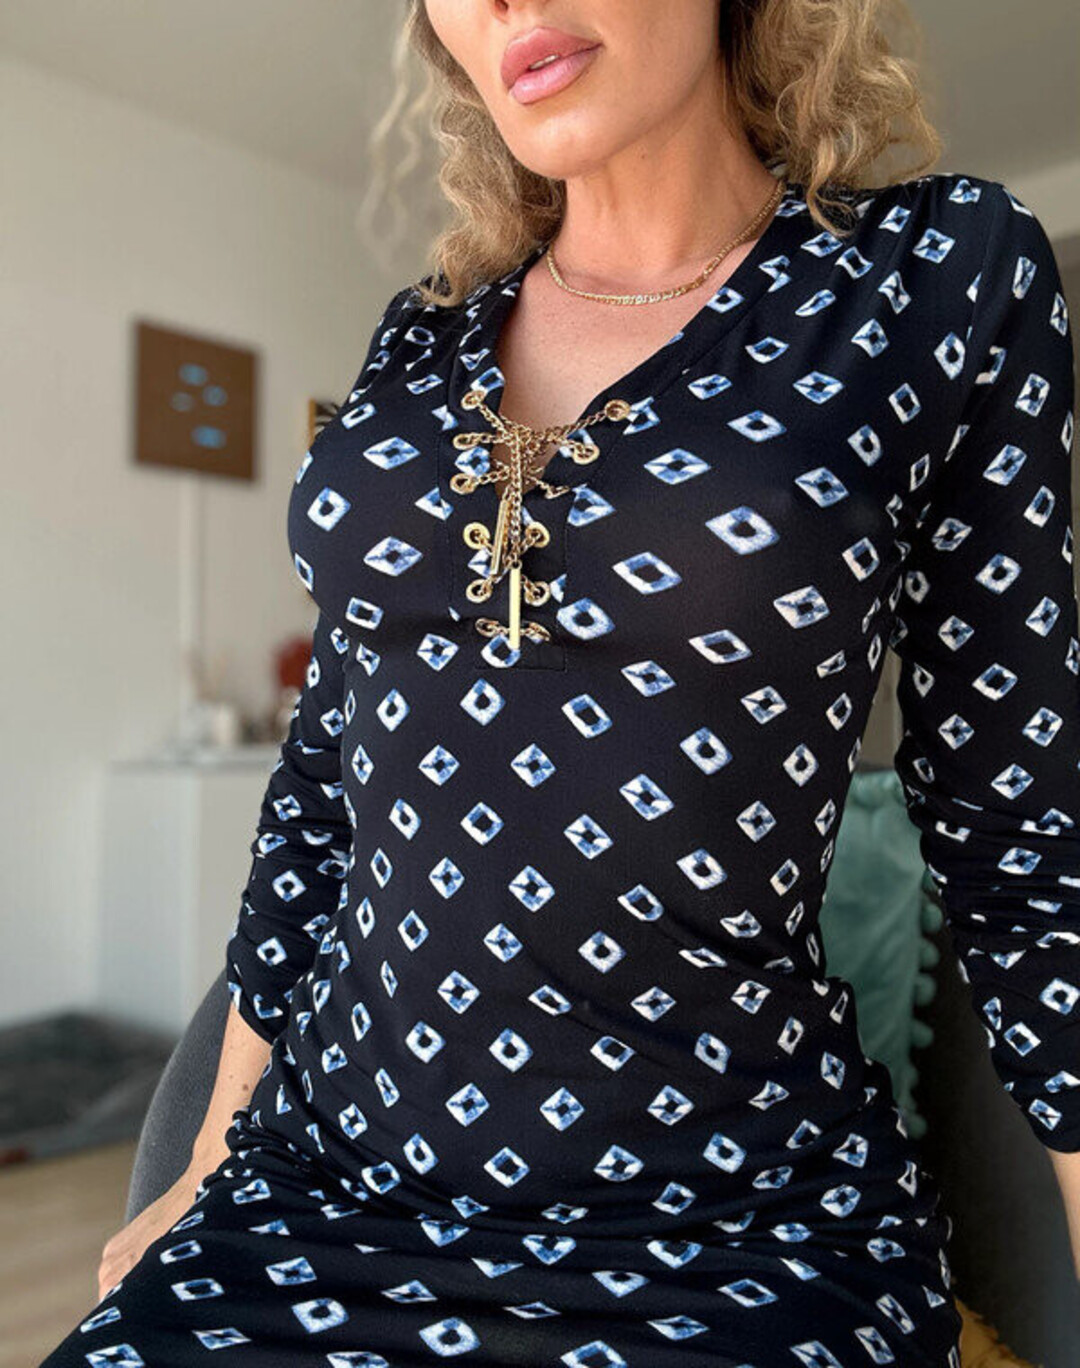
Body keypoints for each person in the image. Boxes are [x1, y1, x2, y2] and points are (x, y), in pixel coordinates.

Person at [41, 1, 1079, 1364]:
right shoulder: (419, 342)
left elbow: (1026, 824)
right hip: (323, 1184)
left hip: (732, 1229)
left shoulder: (934, 273)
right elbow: (323, 792)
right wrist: (207, 1157)